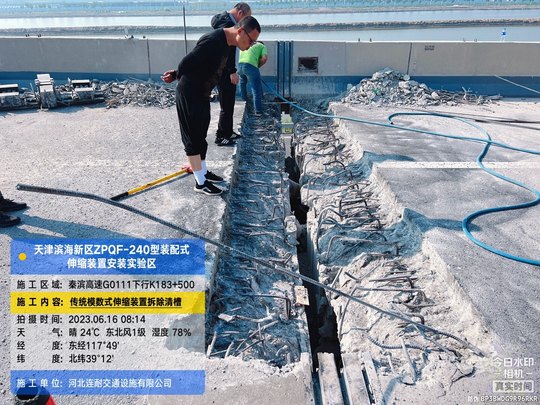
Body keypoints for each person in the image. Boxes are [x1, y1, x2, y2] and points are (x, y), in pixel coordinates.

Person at [161, 16, 261, 196]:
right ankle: (200, 183)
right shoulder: (213, 40)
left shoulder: (227, 43)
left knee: (201, 136)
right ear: (240, 31)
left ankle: (203, 171)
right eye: (251, 41)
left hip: (202, 93)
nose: (251, 45)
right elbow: (186, 62)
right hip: (189, 93)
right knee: (192, 138)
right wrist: (176, 74)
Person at [211, 2, 252, 146]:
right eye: (246, 18)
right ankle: (221, 136)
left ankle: (228, 132)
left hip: (224, 69)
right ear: (240, 13)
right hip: (224, 71)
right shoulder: (228, 25)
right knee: (226, 103)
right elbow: (228, 52)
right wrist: (232, 71)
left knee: (229, 102)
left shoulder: (222, 20)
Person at [238, 40, 267, 115]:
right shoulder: (262, 46)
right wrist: (257, 66)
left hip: (240, 65)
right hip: (250, 66)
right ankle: (258, 111)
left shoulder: (247, 43)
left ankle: (244, 104)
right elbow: (264, 58)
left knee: (242, 84)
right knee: (256, 89)